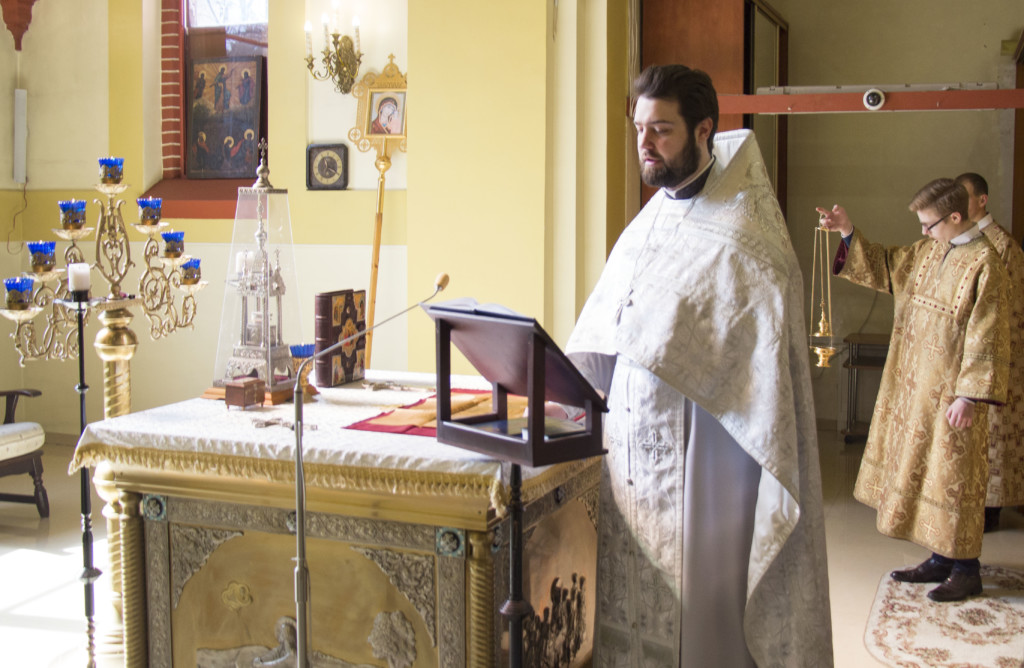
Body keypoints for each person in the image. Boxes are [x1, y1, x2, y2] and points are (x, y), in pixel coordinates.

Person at [562, 64, 833, 667]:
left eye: (661, 129)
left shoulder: (746, 228)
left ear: (704, 129)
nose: (645, 143)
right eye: (639, 128)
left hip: (708, 450)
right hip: (629, 446)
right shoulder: (651, 217)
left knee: (701, 614)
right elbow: (612, 320)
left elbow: (759, 353)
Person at [817, 179, 1010, 602]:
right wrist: (847, 230)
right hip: (916, 386)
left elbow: (989, 333)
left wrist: (969, 395)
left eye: (929, 224)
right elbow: (886, 266)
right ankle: (940, 558)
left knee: (954, 478)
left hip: (953, 396)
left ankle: (967, 569)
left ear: (955, 216)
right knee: (929, 476)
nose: (922, 232)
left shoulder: (986, 264)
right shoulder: (928, 250)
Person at [955, 172, 1024, 532]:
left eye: (963, 197)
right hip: (963, 350)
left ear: (981, 201)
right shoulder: (961, 241)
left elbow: (1007, 306)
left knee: (994, 433)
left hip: (996, 349)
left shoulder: (1002, 245)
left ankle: (991, 506)